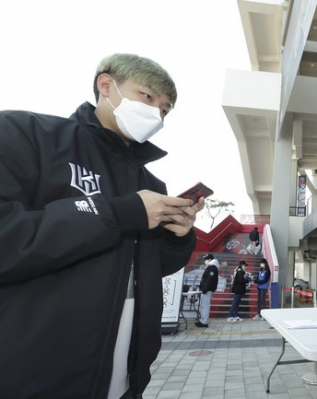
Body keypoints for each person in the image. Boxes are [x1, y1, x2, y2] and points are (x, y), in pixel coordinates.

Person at [0, 53, 204, 399]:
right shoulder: (27, 135)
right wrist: (120, 212)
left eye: (166, 108)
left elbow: (149, 269)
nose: (157, 112)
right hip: (34, 375)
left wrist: (179, 237)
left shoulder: (151, 182)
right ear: (106, 86)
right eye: (147, 97)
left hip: (125, 379)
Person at [196, 253, 219, 327]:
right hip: (205, 290)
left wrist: (204, 289)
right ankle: (202, 320)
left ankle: (204, 322)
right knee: (203, 306)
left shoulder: (212, 268)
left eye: (206, 259)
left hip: (207, 290)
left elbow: (209, 279)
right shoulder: (210, 267)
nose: (205, 261)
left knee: (205, 306)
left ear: (209, 259)